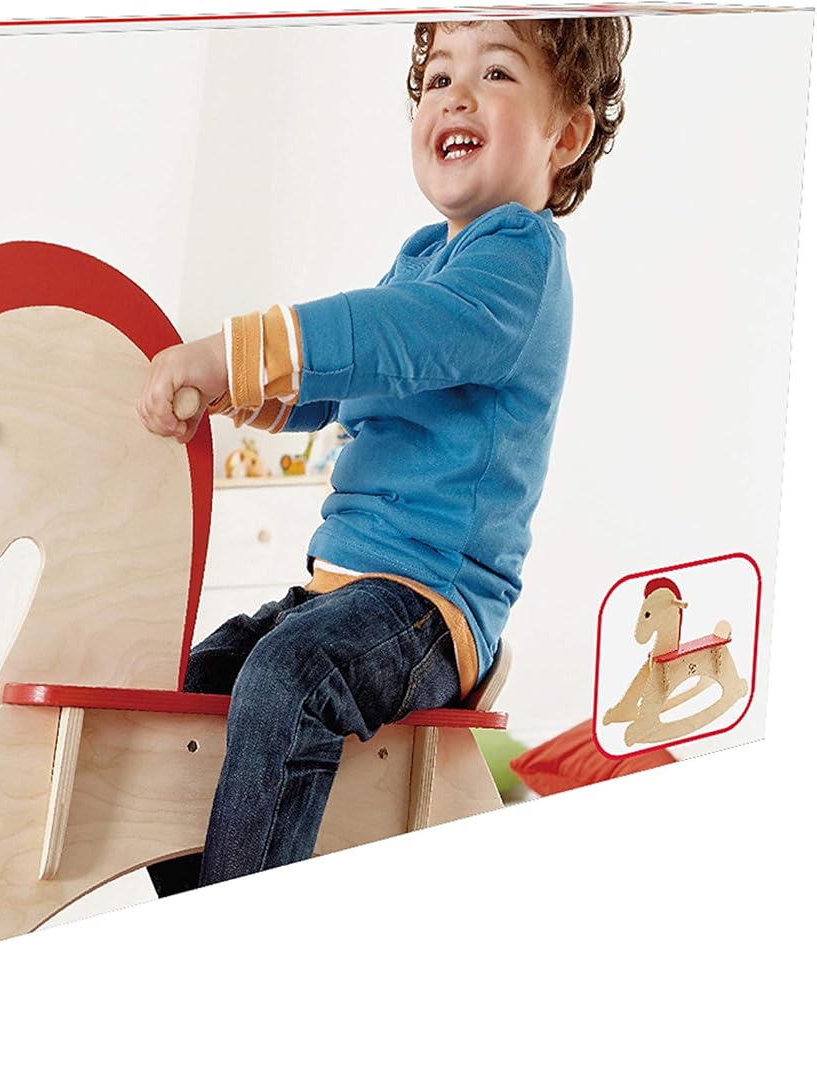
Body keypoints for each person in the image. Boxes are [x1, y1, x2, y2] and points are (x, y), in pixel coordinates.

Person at [138, 16, 630, 893]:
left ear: (565, 134)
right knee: (194, 684)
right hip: (345, 591)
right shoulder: (424, 260)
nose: (458, 95)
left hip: (427, 605)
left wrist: (236, 352)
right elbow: (352, 385)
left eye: (496, 73)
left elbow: (391, 337)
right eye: (439, 78)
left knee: (289, 676)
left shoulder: (518, 260)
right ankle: (204, 897)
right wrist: (238, 392)